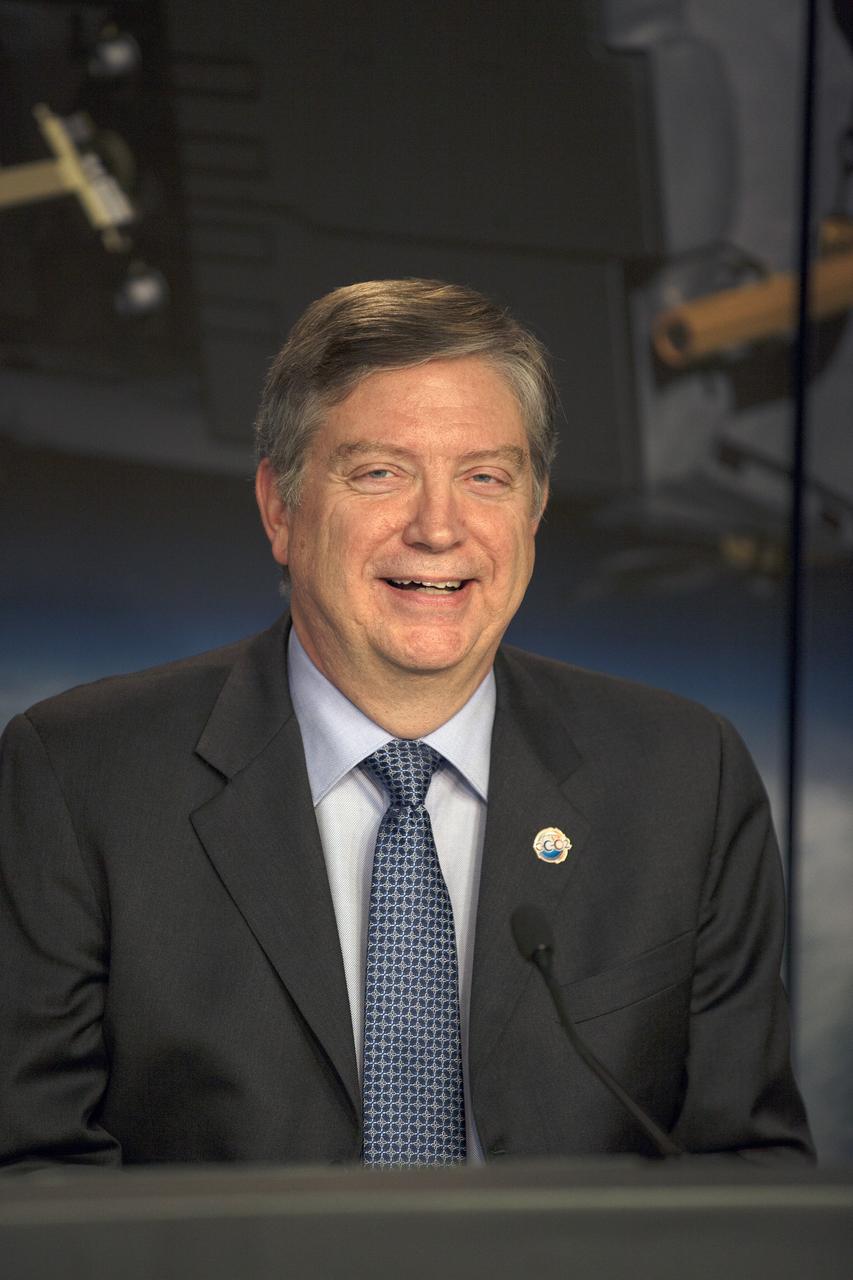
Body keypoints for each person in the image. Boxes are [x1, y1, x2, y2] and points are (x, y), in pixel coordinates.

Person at [0, 279, 812, 1169]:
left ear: (534, 509)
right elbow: (35, 1177)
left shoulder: (683, 778)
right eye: (381, 473)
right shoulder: (78, 776)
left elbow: (749, 1171)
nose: (438, 528)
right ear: (280, 507)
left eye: (484, 477)